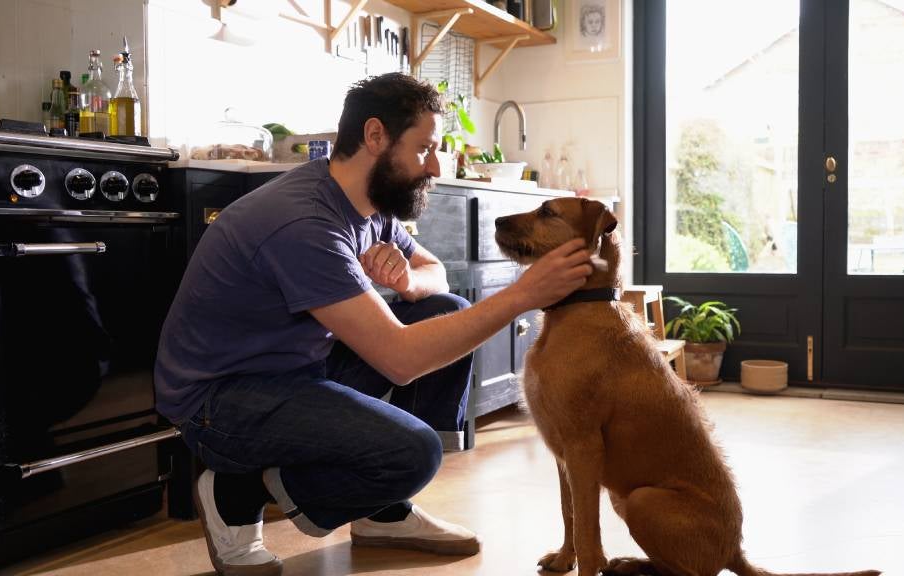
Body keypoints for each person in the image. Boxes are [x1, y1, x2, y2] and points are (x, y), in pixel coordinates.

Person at [154, 72, 594, 576]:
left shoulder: (368, 204)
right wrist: (523, 295)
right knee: (414, 452)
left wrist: (408, 280)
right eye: (425, 148)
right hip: (220, 401)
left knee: (443, 307)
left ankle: (381, 511)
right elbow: (400, 359)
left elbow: (436, 272)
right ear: (375, 137)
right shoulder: (304, 224)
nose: (434, 165)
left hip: (297, 371)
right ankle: (235, 488)